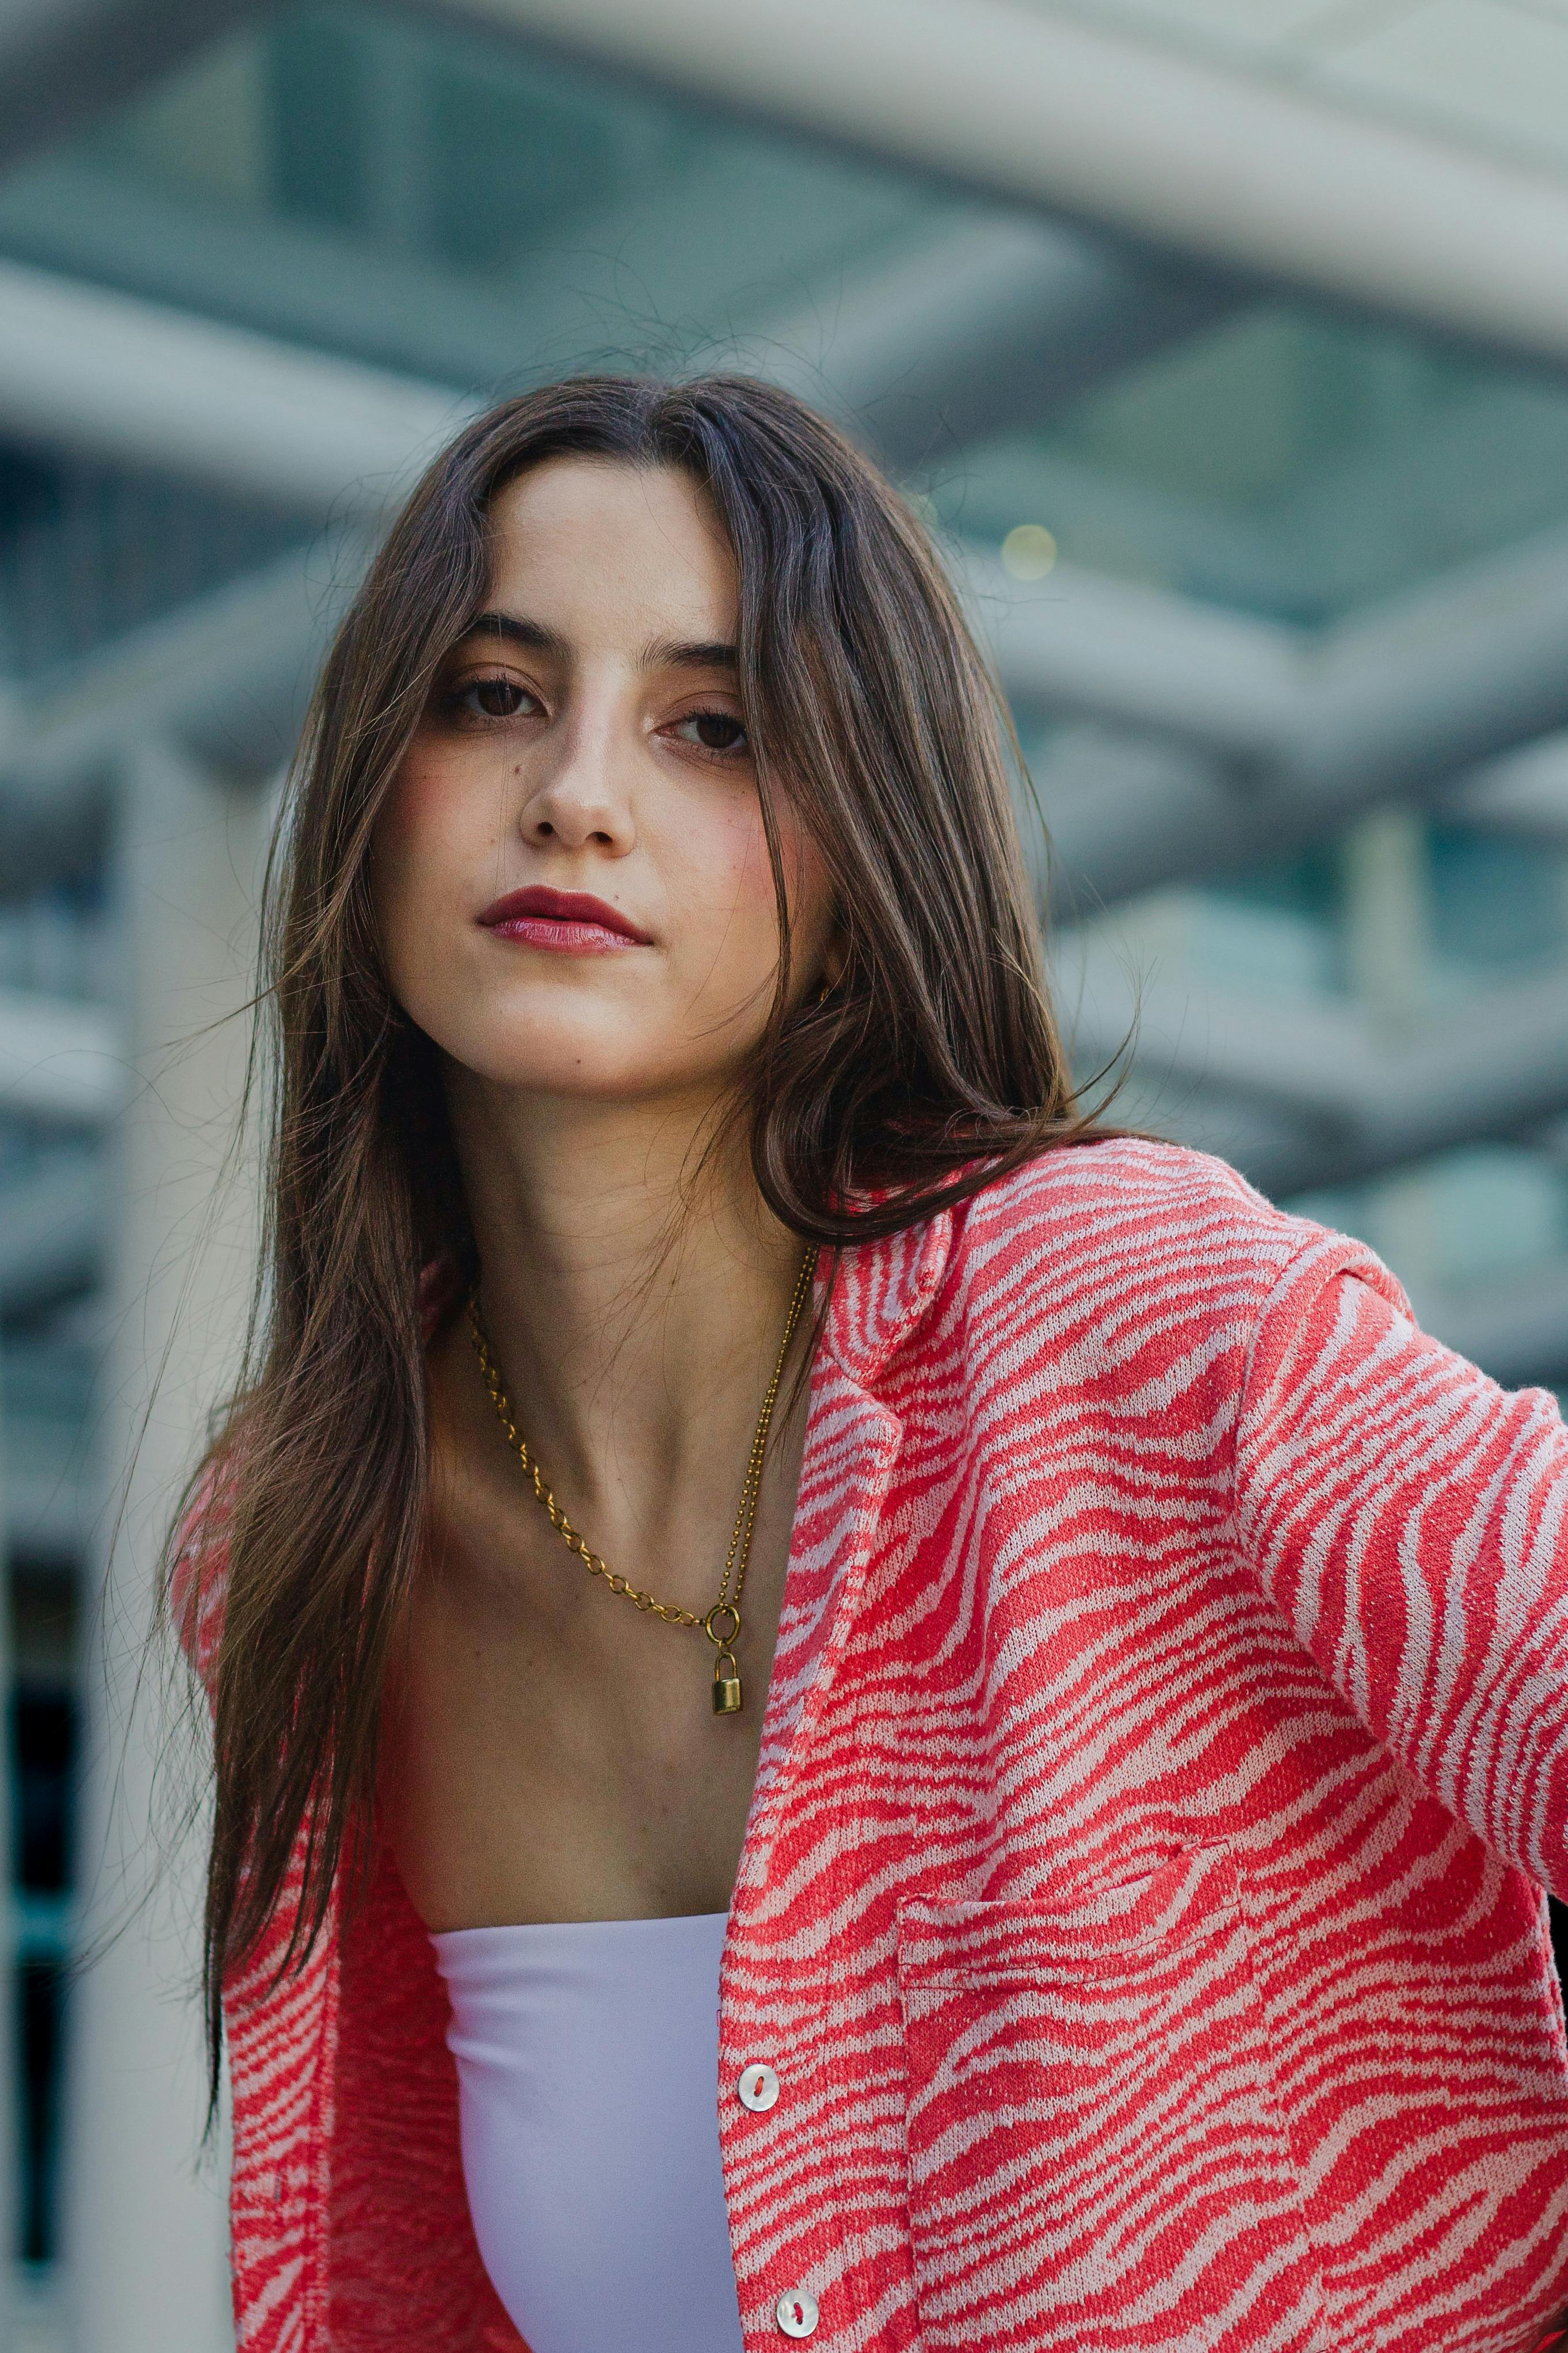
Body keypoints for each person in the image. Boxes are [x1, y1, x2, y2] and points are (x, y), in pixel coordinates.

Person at [171, 375, 1568, 2353]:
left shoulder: (1127, 1313)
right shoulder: (303, 1533)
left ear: (859, 866)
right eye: (493, 694)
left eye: (715, 727)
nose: (576, 791)